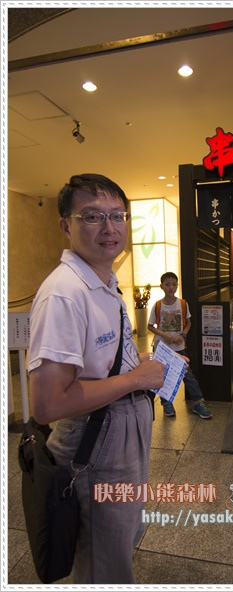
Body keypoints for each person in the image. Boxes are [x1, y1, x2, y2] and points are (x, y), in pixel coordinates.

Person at [28, 173, 166, 584]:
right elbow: (47, 404)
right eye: (91, 216)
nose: (109, 228)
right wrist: (135, 379)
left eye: (117, 215)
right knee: (103, 565)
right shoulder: (64, 294)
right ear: (65, 225)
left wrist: (135, 364)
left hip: (118, 430)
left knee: (117, 543)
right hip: (96, 440)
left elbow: (95, 361)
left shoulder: (103, 280)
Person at [147, 272, 213, 419]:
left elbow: (189, 322)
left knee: (187, 375)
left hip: (180, 347)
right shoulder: (157, 305)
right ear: (161, 286)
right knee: (164, 376)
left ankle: (198, 402)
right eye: (167, 284)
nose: (171, 287)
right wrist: (164, 335)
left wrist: (182, 335)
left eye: (174, 284)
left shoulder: (183, 304)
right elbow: (150, 326)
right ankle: (167, 404)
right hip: (162, 347)